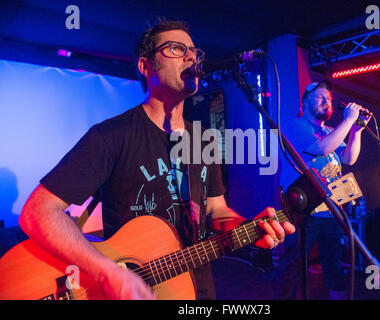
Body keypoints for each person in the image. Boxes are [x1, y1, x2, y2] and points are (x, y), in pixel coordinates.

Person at [18, 19, 295, 300]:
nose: (191, 56)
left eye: (194, 51)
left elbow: (215, 210)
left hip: (195, 287)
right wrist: (106, 271)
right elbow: (38, 211)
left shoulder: (204, 140)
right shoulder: (112, 135)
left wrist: (247, 228)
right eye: (175, 48)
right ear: (145, 66)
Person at [276, 80, 371, 300]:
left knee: (334, 266)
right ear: (304, 103)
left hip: (332, 209)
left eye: (328, 99)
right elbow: (321, 148)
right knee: (293, 268)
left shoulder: (329, 130)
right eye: (319, 98)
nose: (326, 102)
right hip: (304, 211)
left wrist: (356, 131)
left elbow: (348, 158)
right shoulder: (295, 125)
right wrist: (348, 120)